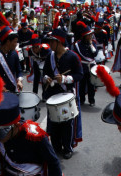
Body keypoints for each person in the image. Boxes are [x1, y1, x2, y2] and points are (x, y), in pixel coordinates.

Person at [42, 28, 84, 159]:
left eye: (52, 42)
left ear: (58, 42)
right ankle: (56, 147)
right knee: (54, 122)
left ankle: (67, 147)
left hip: (66, 94)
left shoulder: (72, 56)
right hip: (53, 94)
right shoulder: (50, 56)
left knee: (67, 123)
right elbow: (45, 73)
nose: (49, 44)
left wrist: (65, 79)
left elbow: (80, 74)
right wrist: (47, 78)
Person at [73, 21, 97, 107]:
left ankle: (91, 100)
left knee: (91, 85)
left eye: (91, 35)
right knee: (82, 85)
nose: (90, 36)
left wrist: (91, 45)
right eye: (89, 35)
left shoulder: (93, 43)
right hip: (82, 66)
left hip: (91, 67)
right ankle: (82, 99)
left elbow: (95, 54)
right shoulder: (78, 45)